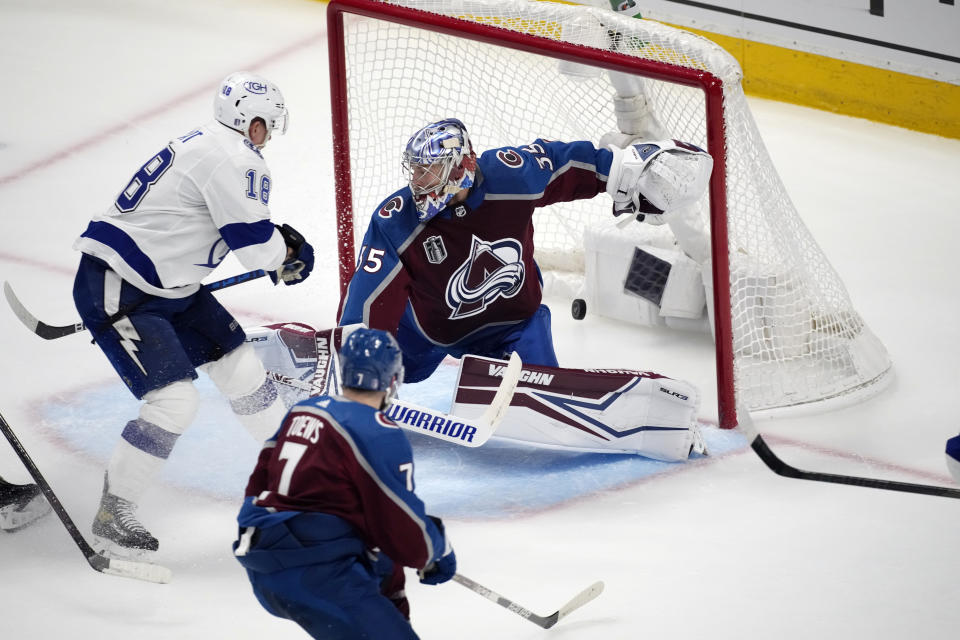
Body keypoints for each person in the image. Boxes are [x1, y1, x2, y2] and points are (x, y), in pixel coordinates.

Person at [71, 71, 314, 556]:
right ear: (249, 120)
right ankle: (113, 510)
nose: (268, 133)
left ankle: (296, 483)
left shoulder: (209, 142)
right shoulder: (235, 156)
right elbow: (252, 246)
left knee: (245, 372)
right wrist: (283, 252)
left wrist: (274, 248)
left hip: (171, 286)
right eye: (265, 122)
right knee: (175, 402)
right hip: (123, 287)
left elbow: (233, 231)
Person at [337, 117, 711, 384]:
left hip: (513, 325)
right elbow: (367, 296)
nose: (418, 182)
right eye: (416, 170)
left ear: (461, 168)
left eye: (429, 171)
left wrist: (619, 170)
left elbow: (563, 162)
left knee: (545, 392)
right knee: (368, 370)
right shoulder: (396, 219)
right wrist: (355, 351)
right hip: (430, 332)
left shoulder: (511, 175)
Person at [234, 328, 455, 640]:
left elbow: (259, 478)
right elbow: (397, 520)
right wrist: (435, 551)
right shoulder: (378, 430)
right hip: (318, 573)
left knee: (373, 558)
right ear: (392, 380)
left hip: (263, 557)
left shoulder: (304, 409)